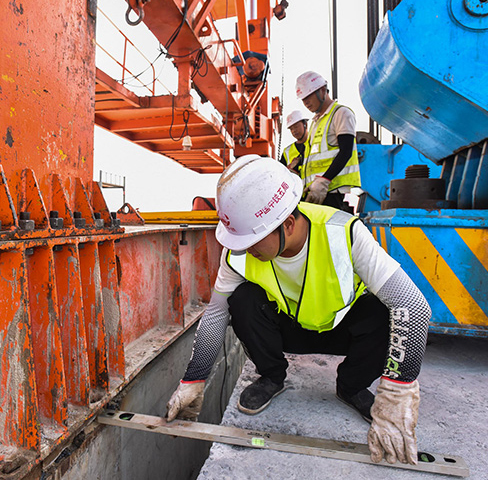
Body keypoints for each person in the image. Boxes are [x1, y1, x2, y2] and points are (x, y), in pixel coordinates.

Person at [165, 155, 430, 465]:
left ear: (288, 224)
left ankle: (351, 386)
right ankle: (272, 377)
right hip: (290, 329)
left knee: (385, 312)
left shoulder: (343, 232)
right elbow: (216, 314)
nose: (244, 249)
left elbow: (414, 306)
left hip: (342, 327)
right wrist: (193, 381)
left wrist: (397, 393)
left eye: (252, 240)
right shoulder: (238, 252)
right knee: (242, 300)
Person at [295, 71, 361, 213]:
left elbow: (346, 151)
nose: (306, 102)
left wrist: (324, 180)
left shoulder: (341, 113)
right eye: (303, 99)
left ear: (323, 90)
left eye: (308, 96)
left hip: (332, 191)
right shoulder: (316, 122)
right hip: (315, 190)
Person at [279, 109, 310, 175]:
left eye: (296, 127)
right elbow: (281, 174)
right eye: (291, 129)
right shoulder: (287, 151)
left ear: (305, 124)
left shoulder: (315, 142)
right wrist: (290, 168)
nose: (294, 131)